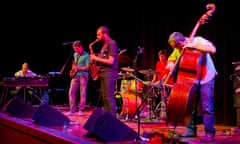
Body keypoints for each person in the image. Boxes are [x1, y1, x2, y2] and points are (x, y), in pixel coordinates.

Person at [166, 32, 217, 142]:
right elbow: (173, 56)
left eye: (177, 47)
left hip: (206, 78)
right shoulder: (179, 48)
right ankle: (190, 129)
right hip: (192, 79)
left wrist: (193, 46)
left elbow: (212, 49)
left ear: (180, 42)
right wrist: (170, 61)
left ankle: (210, 133)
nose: (178, 50)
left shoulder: (198, 41)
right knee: (190, 106)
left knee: (207, 107)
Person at [90, 26, 118, 117]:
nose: (97, 37)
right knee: (105, 98)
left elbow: (111, 61)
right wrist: (97, 68)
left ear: (104, 34)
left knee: (109, 98)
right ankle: (107, 118)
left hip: (109, 73)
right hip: (103, 73)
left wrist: (95, 57)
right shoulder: (104, 45)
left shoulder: (112, 43)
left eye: (98, 34)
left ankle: (113, 120)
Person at [67, 40, 90, 116]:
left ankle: (81, 110)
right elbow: (74, 63)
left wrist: (79, 68)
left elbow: (88, 67)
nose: (75, 50)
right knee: (71, 92)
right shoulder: (75, 54)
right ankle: (72, 111)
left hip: (83, 76)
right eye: (74, 49)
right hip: (76, 75)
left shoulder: (87, 55)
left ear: (80, 47)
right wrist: (72, 70)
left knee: (82, 94)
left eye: (76, 48)